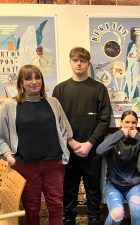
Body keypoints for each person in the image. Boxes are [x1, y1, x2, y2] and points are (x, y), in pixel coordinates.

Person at [0, 64, 72, 225]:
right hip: (25, 166)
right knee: (31, 208)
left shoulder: (53, 102)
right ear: (21, 83)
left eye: (37, 77)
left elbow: (65, 129)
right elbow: (0, 138)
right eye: (28, 78)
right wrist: (9, 156)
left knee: (56, 206)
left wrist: (63, 148)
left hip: (53, 164)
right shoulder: (9, 107)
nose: (34, 81)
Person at [53, 47, 111, 225]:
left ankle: (94, 219)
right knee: (68, 189)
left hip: (91, 151)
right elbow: (57, 121)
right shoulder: (60, 90)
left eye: (83, 60)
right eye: (75, 60)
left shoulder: (99, 89)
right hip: (67, 150)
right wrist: (71, 142)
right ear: (70, 62)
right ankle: (68, 219)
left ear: (88, 63)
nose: (79, 63)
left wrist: (89, 144)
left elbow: (104, 120)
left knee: (93, 189)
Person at [96, 110, 140, 225]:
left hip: (134, 184)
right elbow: (99, 151)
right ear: (121, 123)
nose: (130, 125)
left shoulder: (137, 141)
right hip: (113, 185)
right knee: (117, 214)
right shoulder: (113, 138)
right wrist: (120, 133)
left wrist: (139, 136)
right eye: (127, 122)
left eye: (134, 122)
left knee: (137, 211)